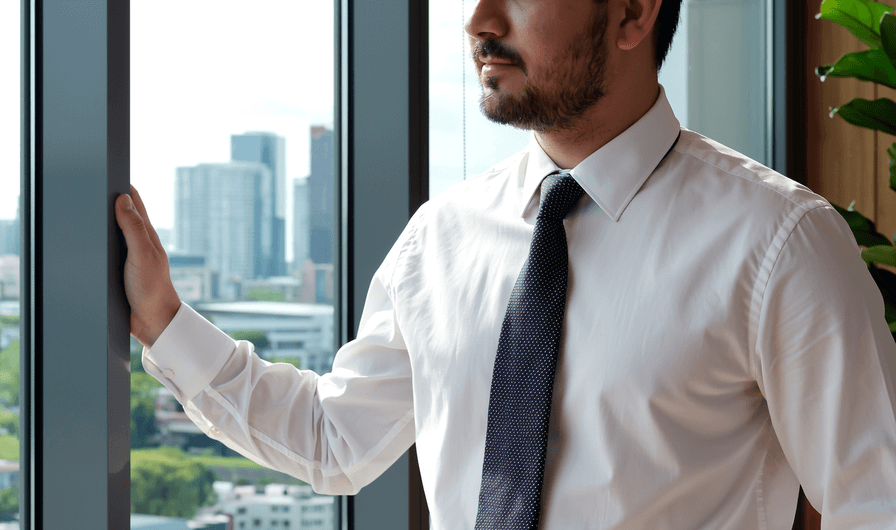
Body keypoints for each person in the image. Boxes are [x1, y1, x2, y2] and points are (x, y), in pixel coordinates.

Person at [116, 0, 896, 528]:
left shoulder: (780, 243)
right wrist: (166, 324)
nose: (478, 21)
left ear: (631, 11)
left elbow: (877, 504)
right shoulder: (439, 242)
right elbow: (334, 440)